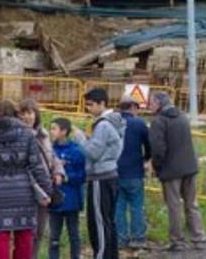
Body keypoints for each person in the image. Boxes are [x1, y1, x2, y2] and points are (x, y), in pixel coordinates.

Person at [0, 99, 51, 259]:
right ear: (16, 115)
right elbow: (37, 166)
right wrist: (48, 190)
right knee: (24, 237)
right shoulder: (27, 135)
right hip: (23, 191)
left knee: (1, 238)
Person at [149, 91, 206, 252]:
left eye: (152, 103)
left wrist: (156, 166)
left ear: (159, 104)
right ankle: (198, 237)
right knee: (191, 204)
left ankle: (177, 241)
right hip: (189, 167)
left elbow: (158, 149)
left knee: (174, 206)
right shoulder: (182, 118)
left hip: (171, 170)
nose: (150, 106)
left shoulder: (159, 122)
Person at [73, 88, 126, 259]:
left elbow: (93, 152)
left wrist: (80, 138)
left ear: (102, 104)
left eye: (90, 104)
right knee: (108, 220)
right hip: (111, 174)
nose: (88, 108)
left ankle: (101, 255)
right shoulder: (115, 122)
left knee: (99, 223)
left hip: (100, 178)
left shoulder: (103, 124)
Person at [18, 99, 66, 259]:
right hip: (28, 190)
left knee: (39, 231)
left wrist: (58, 171)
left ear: (36, 114)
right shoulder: (18, 136)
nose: (27, 117)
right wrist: (40, 192)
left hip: (46, 188)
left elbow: (52, 156)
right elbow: (23, 168)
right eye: (23, 113)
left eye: (30, 113)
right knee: (26, 232)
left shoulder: (43, 135)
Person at [116, 93, 152, 250]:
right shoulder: (139, 124)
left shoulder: (112, 123)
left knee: (119, 207)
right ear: (132, 107)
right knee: (137, 206)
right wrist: (146, 159)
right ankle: (138, 238)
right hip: (135, 171)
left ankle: (120, 239)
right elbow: (149, 144)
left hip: (115, 172)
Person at [48, 117, 86, 259]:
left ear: (64, 131)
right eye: (50, 128)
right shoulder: (50, 150)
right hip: (55, 201)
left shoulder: (76, 151)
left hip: (72, 201)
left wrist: (66, 176)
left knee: (74, 234)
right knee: (53, 236)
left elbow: (82, 175)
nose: (51, 132)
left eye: (54, 128)